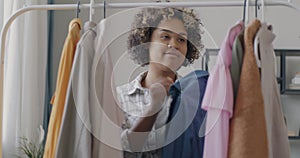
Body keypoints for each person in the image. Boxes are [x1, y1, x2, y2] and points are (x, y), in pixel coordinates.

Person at [116, 7, 204, 158]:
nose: (174, 44)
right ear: (147, 42)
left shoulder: (195, 97)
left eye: (181, 39)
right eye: (165, 37)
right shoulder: (119, 96)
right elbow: (119, 149)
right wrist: (154, 107)